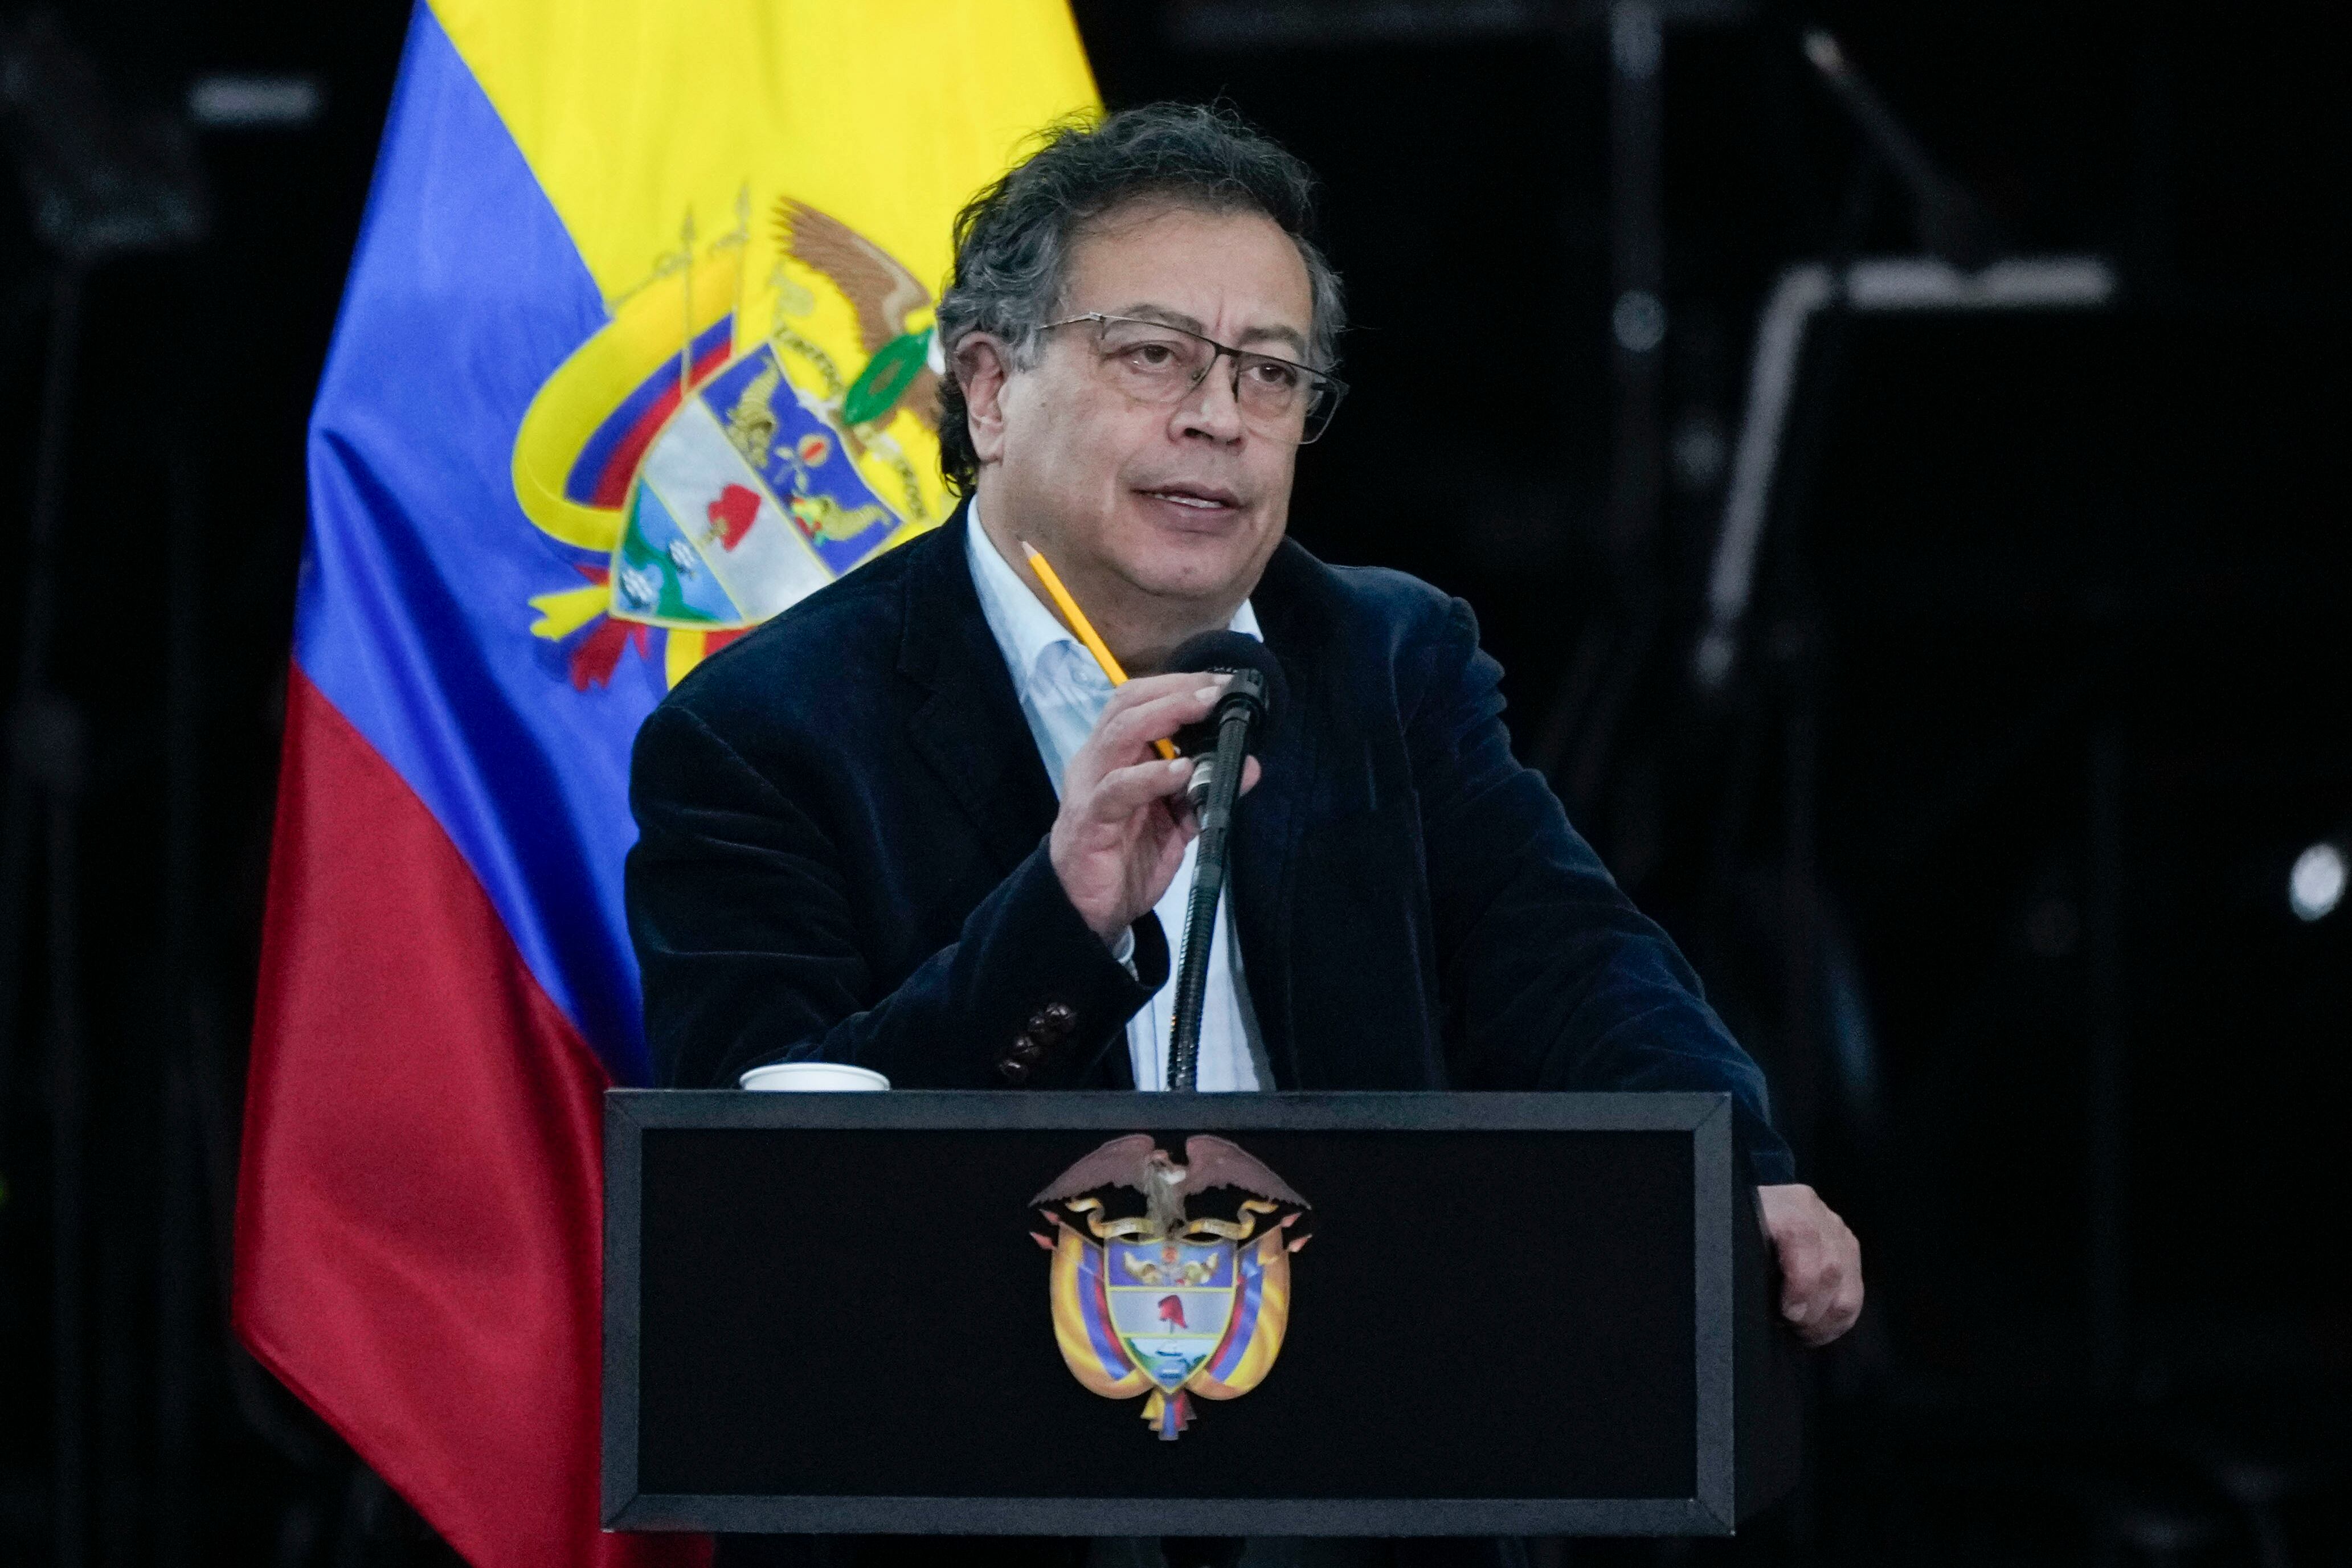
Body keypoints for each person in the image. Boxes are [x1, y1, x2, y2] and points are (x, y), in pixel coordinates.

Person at [627, 103, 1861, 1568]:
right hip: (990, 1504)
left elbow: (1568, 957)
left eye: (1270, 374)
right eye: (1153, 354)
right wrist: (1058, 924)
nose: (1220, 416)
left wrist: (1745, 1157)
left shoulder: (1384, 659)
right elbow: (766, 1218)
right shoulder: (760, 731)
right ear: (987, 387)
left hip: (1370, 1470)